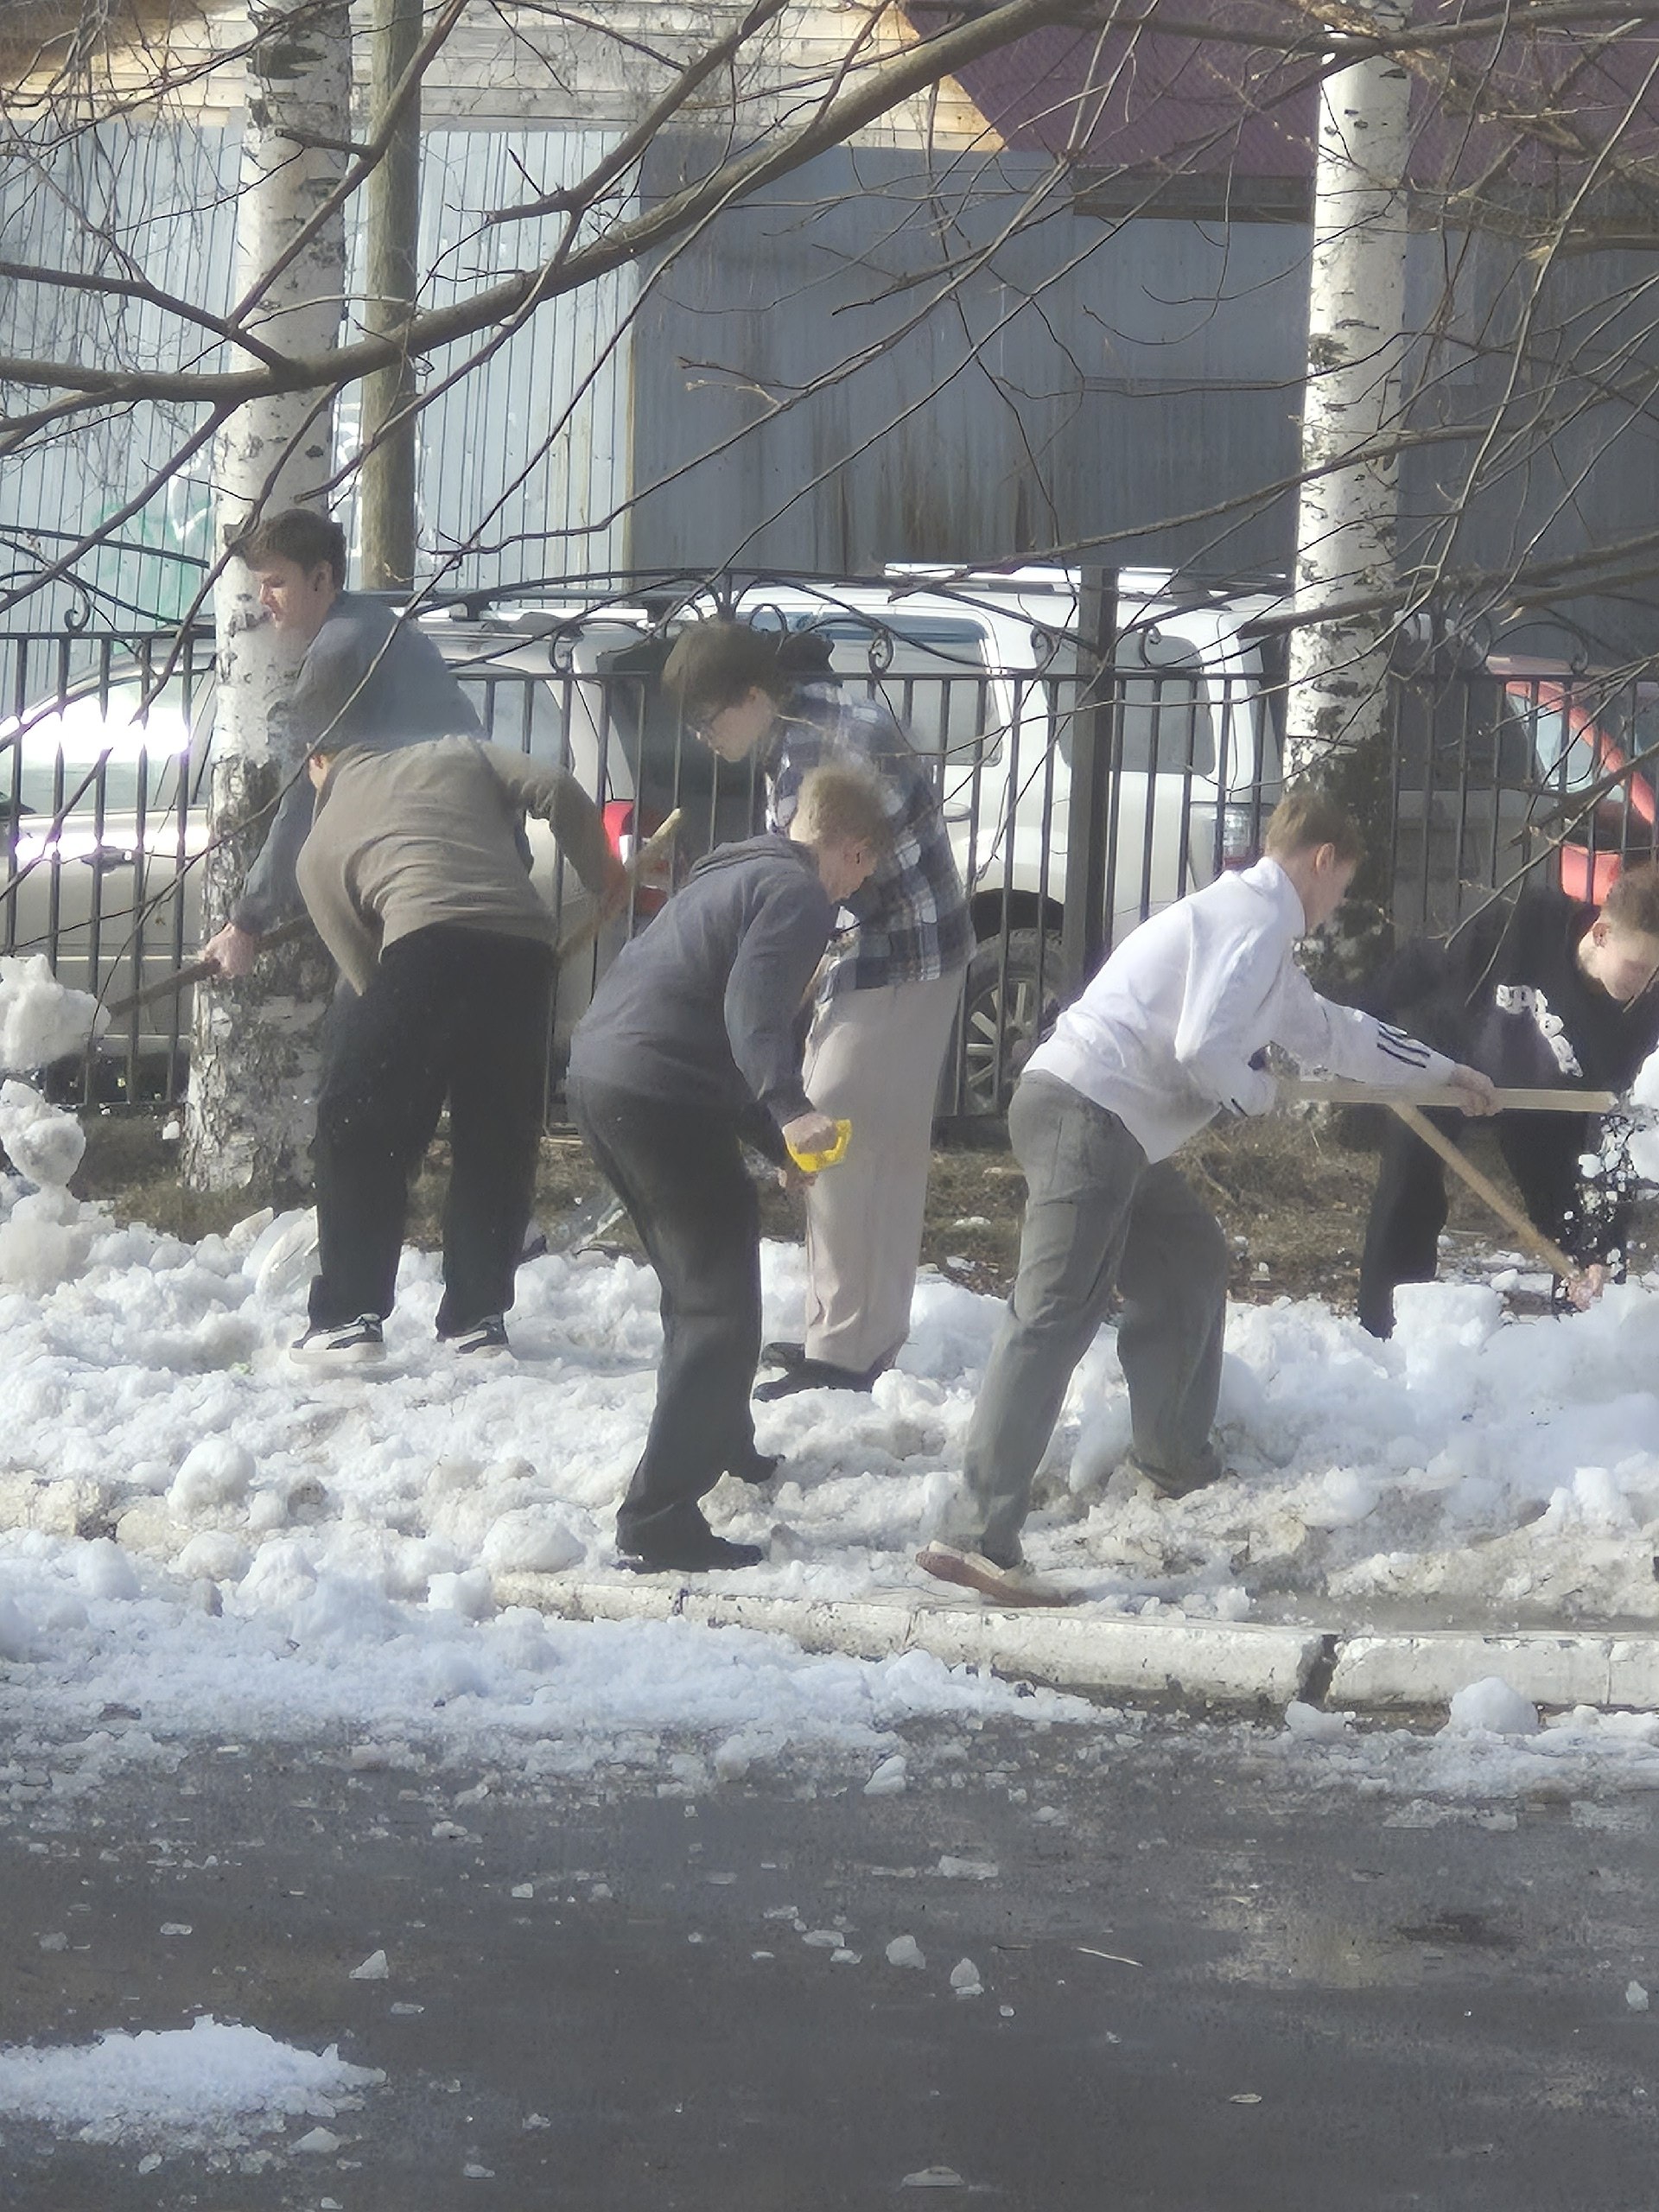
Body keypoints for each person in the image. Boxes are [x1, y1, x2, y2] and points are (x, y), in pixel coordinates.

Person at [918, 787, 1500, 1608]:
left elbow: (1340, 1033)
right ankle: (976, 1535)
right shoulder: (1255, 920)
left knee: (1188, 1257)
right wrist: (1250, 1093)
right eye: (1342, 887)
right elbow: (1201, 1045)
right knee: (1053, 1312)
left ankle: (1172, 1456)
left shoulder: (1257, 938)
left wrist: (1446, 1075)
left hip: (1108, 1125)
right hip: (1088, 1113)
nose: (1338, 907)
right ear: (1322, 861)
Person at [566, 763, 891, 1574]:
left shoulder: (742, 865)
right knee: (717, 1305)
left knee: (703, 1276)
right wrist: (790, 1109)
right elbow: (753, 1016)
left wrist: (776, 1139)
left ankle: (724, 1439)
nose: (861, 886)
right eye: (867, 867)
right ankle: (658, 1520)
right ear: (852, 850)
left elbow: (717, 1020)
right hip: (658, 1094)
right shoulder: (803, 897)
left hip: (607, 1075)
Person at [659, 620, 974, 1401]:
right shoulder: (811, 723)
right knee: (873, 1144)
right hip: (908, 946)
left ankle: (842, 1351)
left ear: (754, 697)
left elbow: (801, 895)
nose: (704, 739)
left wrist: (761, 1003)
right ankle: (855, 1335)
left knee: (833, 1129)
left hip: (898, 950)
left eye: (708, 720)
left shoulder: (811, 752)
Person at [289, 728, 625, 1362]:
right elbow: (553, 786)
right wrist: (605, 875)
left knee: (359, 1127)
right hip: (524, 953)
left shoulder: (317, 850)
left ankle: (346, 1316)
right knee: (497, 1138)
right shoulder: (459, 752)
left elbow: (366, 974)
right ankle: (477, 1320)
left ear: (318, 762)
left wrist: (411, 1051)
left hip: (421, 950)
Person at [1357, 860, 1659, 1338]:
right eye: (1638, 967)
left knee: (1573, 1218)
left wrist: (1601, 1247)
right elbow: (1425, 961)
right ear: (1601, 934)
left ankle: (1585, 1344)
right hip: (1447, 1059)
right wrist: (1352, 1031)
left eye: (1656, 972)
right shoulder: (1527, 920)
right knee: (1409, 1192)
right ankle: (1384, 1330)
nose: (1644, 984)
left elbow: (1616, 1134)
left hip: (1541, 1101)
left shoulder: (1642, 1016)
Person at [200, 507, 486, 980]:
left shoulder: (338, 653)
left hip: (430, 878)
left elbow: (303, 793)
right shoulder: (375, 624)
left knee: (364, 1038)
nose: (263, 598)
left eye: (276, 582)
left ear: (321, 578)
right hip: (468, 856)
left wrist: (245, 922)